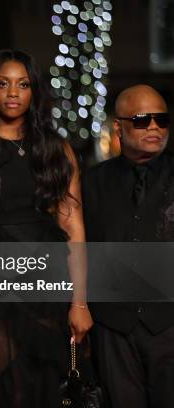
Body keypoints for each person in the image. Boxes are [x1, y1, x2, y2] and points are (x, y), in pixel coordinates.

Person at [0, 49, 93, 407]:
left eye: (22, 85)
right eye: (3, 84)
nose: (13, 93)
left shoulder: (57, 150)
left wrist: (80, 302)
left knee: (46, 385)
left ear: (34, 91)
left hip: (46, 283)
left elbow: (75, 230)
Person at [82, 84, 174, 407]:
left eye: (161, 120)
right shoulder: (89, 183)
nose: (153, 127)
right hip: (112, 328)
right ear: (118, 128)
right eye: (142, 119)